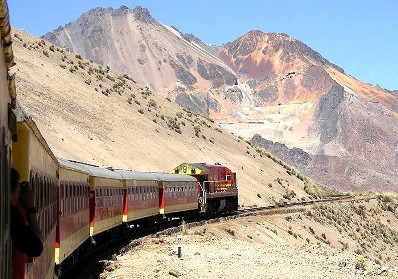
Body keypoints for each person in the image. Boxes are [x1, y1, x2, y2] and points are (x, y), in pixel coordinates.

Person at [10, 168, 43, 279]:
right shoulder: (11, 214)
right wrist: (30, 208)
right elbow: (36, 247)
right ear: (12, 192)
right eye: (18, 192)